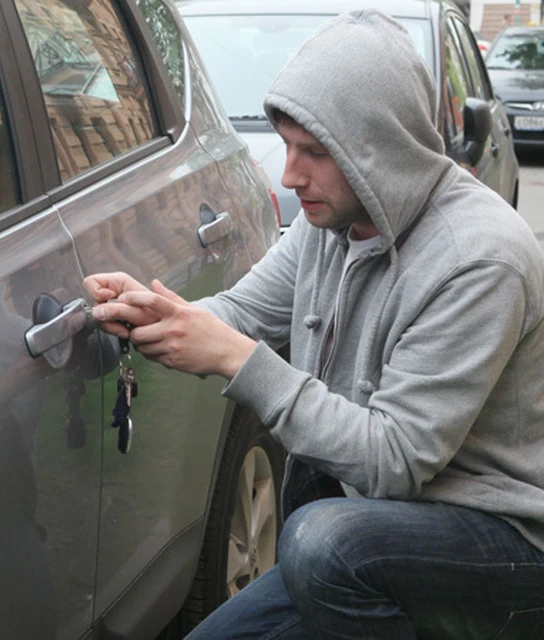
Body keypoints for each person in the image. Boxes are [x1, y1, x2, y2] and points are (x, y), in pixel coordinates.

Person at [85, 10, 544, 639]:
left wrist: (240, 361)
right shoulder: (329, 223)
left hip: (498, 541)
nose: (290, 174)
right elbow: (242, 314)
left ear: (377, 149)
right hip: (371, 534)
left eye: (315, 152)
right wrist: (156, 315)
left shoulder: (478, 260)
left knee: (319, 540)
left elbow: (393, 459)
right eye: (288, 144)